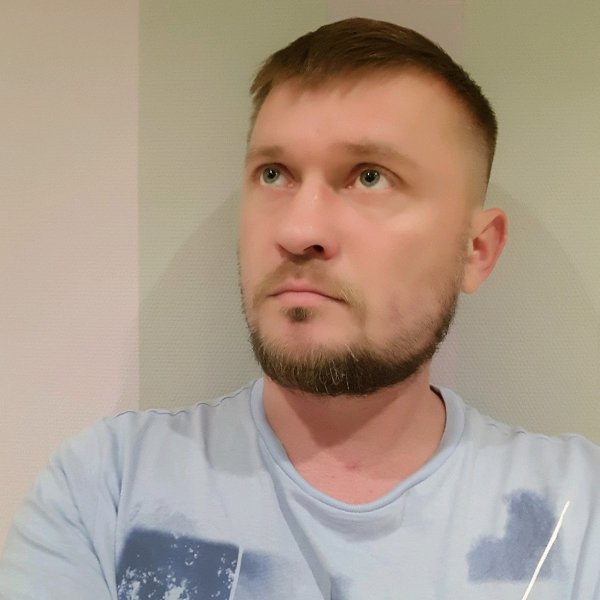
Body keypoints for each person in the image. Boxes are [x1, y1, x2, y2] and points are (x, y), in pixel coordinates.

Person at [1, 17, 599, 600]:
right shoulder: (107, 488)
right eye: (274, 173)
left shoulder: (579, 513)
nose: (298, 230)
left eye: (370, 177)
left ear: (476, 251)